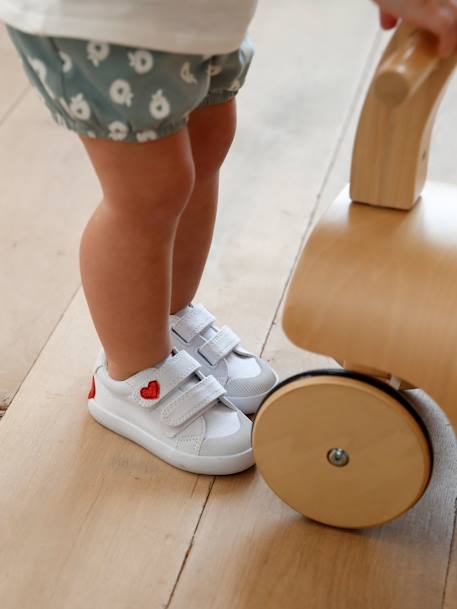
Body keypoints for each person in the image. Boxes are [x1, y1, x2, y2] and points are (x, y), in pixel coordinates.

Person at [0, 0, 455, 476]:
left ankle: (169, 317)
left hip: (195, 20)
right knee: (147, 192)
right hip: (110, 24)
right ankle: (132, 375)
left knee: (207, 141)